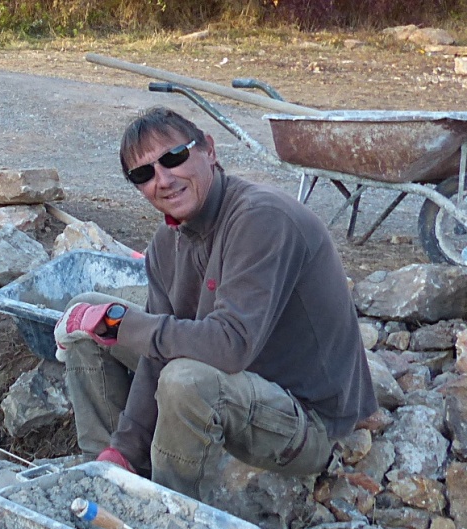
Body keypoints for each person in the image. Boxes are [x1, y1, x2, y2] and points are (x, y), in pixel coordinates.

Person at [55, 106, 376, 500]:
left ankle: (170, 513)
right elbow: (156, 351)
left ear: (208, 149)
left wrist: (118, 323)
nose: (164, 179)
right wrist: (123, 449)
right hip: (233, 385)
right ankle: (110, 482)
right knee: (87, 314)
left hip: (305, 420)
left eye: (173, 158)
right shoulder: (165, 245)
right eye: (144, 174)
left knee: (183, 379)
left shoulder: (261, 218)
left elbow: (229, 346)